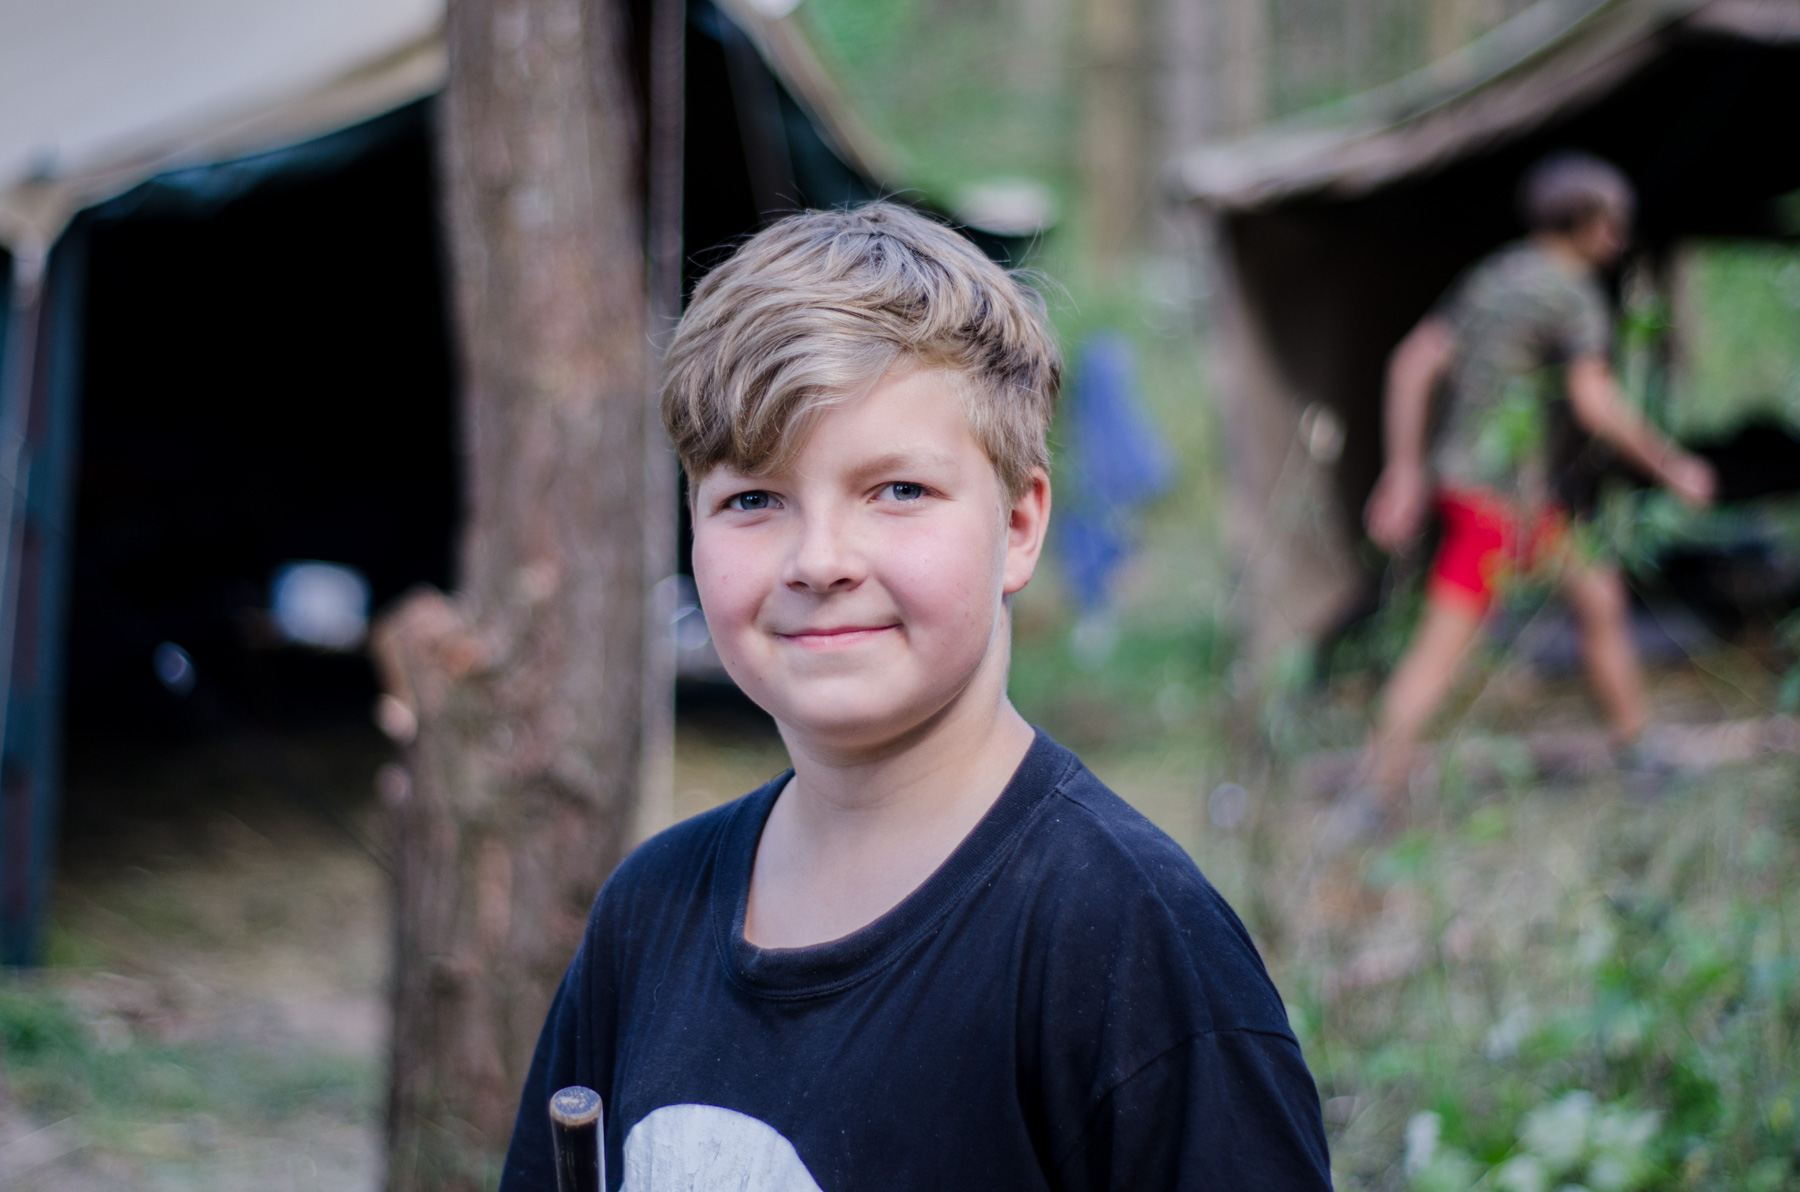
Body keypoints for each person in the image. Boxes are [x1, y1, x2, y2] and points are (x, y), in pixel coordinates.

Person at [498, 203, 1331, 1190]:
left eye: (898, 491)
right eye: (753, 499)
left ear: (1018, 526)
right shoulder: (648, 914)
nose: (820, 560)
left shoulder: (1132, 947)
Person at [1359, 152, 1716, 810]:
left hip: (1490, 495)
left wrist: (1404, 474)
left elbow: (1411, 364)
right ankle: (1372, 794)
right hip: (1501, 503)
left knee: (1599, 598)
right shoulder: (1571, 294)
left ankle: (1637, 750)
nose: (1619, 238)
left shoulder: (1494, 275)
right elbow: (1595, 403)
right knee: (1443, 649)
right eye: (1612, 223)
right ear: (1582, 222)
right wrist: (1674, 467)